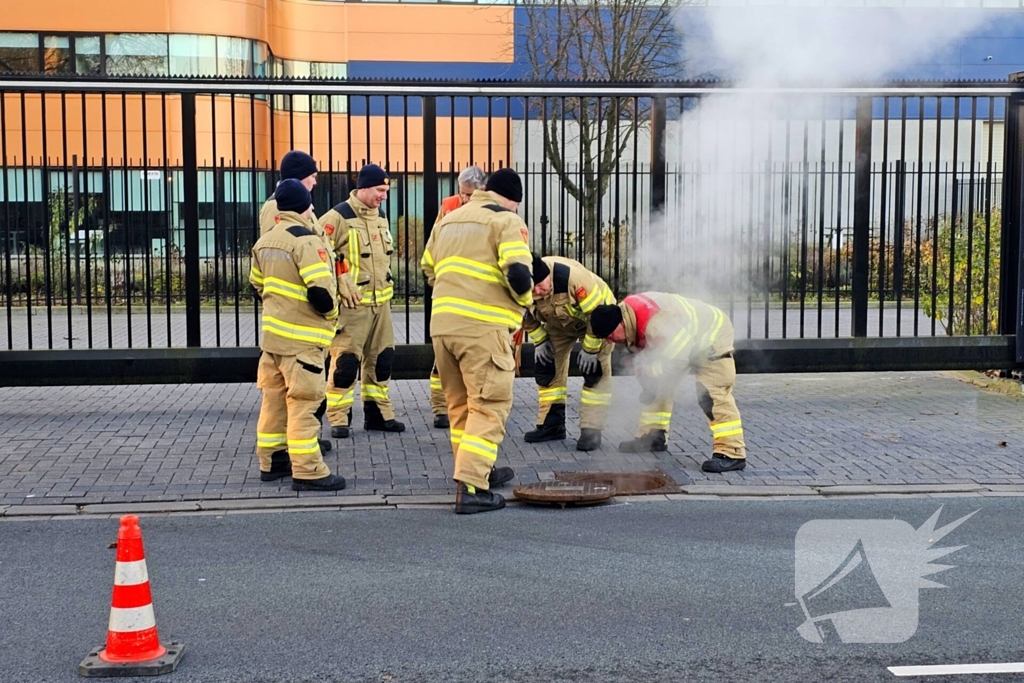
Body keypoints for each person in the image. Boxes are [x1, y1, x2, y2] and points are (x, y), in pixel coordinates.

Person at [421, 168, 533, 514]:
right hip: (483, 330)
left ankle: (472, 470)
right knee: (488, 406)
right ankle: (471, 487)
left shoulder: (450, 219)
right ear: (513, 200)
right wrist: (525, 303)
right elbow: (517, 272)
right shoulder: (507, 222)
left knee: (459, 406)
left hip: (442, 327)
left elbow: (427, 268)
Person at [249, 179, 346, 491]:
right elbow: (321, 292)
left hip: (273, 341)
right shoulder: (306, 241)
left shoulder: (264, 241)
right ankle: (308, 471)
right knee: (304, 404)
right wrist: (333, 316)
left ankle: (272, 461)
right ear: (306, 205)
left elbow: (256, 286)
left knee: (274, 402)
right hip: (303, 342)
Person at [590, 292, 747, 473]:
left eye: (609, 335)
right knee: (656, 387)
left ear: (620, 324)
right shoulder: (626, 313)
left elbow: (678, 358)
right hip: (685, 340)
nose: (609, 341)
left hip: (712, 336)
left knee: (712, 394)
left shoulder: (656, 323)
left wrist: (653, 372)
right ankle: (653, 436)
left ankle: (732, 452)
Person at [258, 150, 338, 454]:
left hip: (300, 314)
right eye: (312, 174)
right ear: (297, 176)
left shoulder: (299, 205)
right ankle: (304, 450)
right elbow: (282, 254)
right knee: (302, 389)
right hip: (299, 317)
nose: (316, 180)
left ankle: (284, 450)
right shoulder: (279, 208)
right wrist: (328, 307)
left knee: (296, 389)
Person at [319, 164, 405, 438]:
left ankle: (378, 415)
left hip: (382, 304)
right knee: (346, 364)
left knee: (382, 360)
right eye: (380, 190)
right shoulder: (337, 217)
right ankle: (338, 418)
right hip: (352, 307)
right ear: (364, 187)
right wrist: (342, 283)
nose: (384, 196)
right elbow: (320, 255)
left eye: (387, 191)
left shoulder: (380, 218)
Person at [521, 255, 616, 451]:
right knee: (547, 367)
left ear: (548, 274)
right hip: (560, 324)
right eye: (533, 289)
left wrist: (590, 349)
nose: (538, 292)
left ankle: (592, 430)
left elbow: (596, 315)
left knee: (594, 372)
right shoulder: (519, 285)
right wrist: (540, 340)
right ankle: (552, 424)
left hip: (599, 321)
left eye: (540, 285)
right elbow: (521, 314)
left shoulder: (574, 278)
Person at [428, 165, 487, 429]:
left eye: (469, 195)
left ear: (482, 190)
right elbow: (431, 251)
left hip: (477, 297)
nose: (463, 199)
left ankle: (473, 406)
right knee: (443, 359)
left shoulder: (492, 212)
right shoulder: (448, 207)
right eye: (461, 194)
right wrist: (441, 283)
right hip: (452, 295)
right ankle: (441, 407)